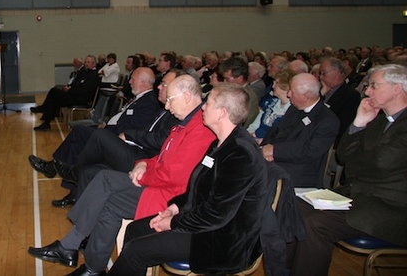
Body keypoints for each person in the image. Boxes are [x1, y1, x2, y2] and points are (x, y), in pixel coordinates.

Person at [27, 74, 216, 276]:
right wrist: (142, 163)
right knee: (109, 201)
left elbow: (174, 175)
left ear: (187, 97)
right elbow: (162, 156)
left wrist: (142, 174)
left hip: (171, 198)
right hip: (159, 184)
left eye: (170, 100)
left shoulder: (199, 129)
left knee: (106, 181)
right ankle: (91, 266)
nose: (167, 107)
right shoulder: (186, 122)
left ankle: (72, 248)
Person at [108, 83, 268, 276]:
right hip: (202, 225)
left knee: (136, 250)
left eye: (208, 103)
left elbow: (217, 215)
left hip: (221, 240)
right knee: (134, 230)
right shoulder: (221, 143)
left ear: (221, 113)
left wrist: (173, 223)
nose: (202, 107)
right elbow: (197, 187)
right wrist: (174, 207)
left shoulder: (240, 154)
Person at [287, 64, 407, 276]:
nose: (367, 91)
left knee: (315, 225)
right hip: (360, 195)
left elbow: (381, 163)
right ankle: (285, 270)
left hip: (391, 208)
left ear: (397, 89)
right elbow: (343, 156)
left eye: (374, 86)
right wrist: (359, 123)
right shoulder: (378, 118)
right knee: (294, 206)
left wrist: (358, 160)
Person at [28, 67, 161, 206]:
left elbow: (130, 129)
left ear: (143, 82)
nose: (130, 81)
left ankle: (54, 168)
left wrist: (108, 129)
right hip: (110, 131)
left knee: (80, 133)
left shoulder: (149, 103)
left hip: (119, 141)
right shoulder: (140, 99)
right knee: (77, 141)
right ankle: (71, 189)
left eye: (133, 79)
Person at [261, 73, 339, 188]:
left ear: (306, 96)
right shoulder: (294, 109)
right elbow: (275, 131)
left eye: (292, 91)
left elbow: (309, 151)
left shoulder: (327, 120)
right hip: (277, 162)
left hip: (300, 173)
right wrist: (265, 148)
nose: (288, 95)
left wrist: (275, 150)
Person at [30, 55, 100, 131]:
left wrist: (69, 90)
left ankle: (44, 110)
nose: (86, 63)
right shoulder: (86, 73)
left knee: (54, 91)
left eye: (88, 62)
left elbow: (83, 90)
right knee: (54, 99)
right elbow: (76, 84)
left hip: (80, 100)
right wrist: (69, 87)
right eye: (86, 62)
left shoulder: (94, 76)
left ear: (94, 64)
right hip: (75, 95)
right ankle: (46, 123)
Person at [247, 68, 295, 144]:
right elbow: (255, 124)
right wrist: (251, 133)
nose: (273, 86)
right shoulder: (269, 103)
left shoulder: (293, 110)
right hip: (255, 140)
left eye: (276, 83)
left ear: (285, 87)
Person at [217, 56, 260, 128]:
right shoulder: (231, 91)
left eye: (227, 79)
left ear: (239, 78)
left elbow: (244, 127)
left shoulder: (249, 98)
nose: (224, 82)